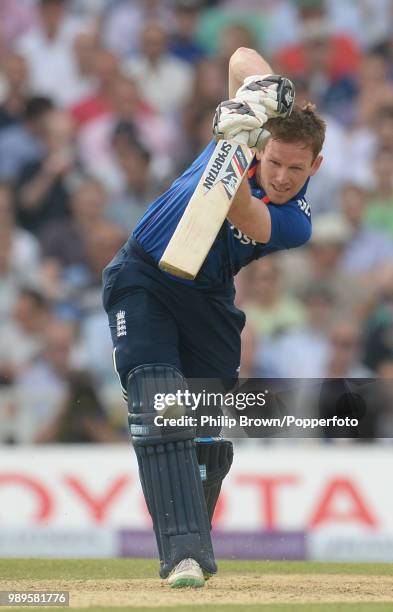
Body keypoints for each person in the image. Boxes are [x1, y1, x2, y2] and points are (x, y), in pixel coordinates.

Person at [102, 47, 325, 588]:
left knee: (205, 433)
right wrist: (254, 100)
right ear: (265, 146)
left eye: (297, 169)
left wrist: (236, 138)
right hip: (145, 275)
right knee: (161, 402)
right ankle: (183, 557)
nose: (282, 177)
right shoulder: (246, 133)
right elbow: (242, 57)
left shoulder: (295, 220)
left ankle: (193, 535)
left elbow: (240, 208)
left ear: (316, 166)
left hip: (208, 299)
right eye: (274, 162)